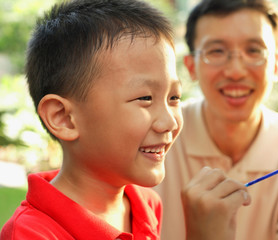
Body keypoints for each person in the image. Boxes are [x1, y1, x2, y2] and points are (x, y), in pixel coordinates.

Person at [1, 0, 188, 239]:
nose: (170, 123)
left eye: (174, 97)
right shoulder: (31, 233)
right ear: (64, 118)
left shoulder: (145, 205)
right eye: (145, 97)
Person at [154, 0, 278, 239]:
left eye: (254, 51)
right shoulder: (157, 140)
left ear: (277, 66)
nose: (236, 71)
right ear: (191, 67)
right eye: (216, 51)